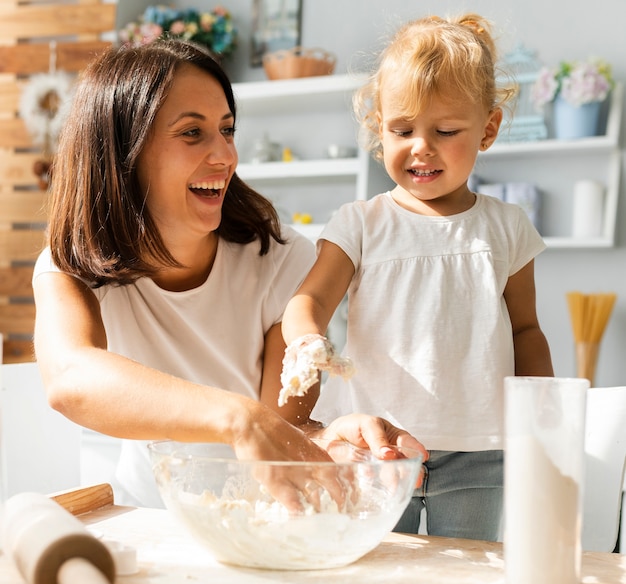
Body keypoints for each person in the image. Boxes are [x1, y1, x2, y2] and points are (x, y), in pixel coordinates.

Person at [32, 38, 425, 508]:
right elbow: (71, 378)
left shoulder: (279, 261)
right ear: (123, 153)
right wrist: (238, 417)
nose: (225, 156)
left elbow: (285, 429)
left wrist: (329, 441)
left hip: (256, 515)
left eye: (227, 129)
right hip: (148, 517)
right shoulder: (73, 266)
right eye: (192, 133)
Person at [280, 14, 554, 540]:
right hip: (375, 446)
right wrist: (307, 339)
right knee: (377, 575)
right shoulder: (360, 223)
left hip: (480, 452)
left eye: (445, 131)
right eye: (401, 130)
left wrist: (540, 411)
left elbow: (525, 330)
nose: (420, 147)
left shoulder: (507, 226)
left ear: (488, 129)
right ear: (378, 128)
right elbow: (307, 300)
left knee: (467, 581)